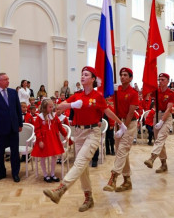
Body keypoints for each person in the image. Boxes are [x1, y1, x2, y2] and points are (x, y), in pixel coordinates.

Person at [43, 66, 125, 212]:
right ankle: (89, 198)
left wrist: (120, 123)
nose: (82, 76)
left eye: (86, 75)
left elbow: (107, 111)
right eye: (82, 74)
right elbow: (60, 106)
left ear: (93, 79)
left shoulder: (97, 96)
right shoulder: (77, 95)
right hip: (79, 133)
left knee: (80, 162)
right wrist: (72, 104)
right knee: (83, 167)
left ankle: (60, 189)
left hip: (93, 132)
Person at [103, 67, 138, 193]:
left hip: (129, 124)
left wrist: (123, 128)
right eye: (121, 75)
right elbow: (106, 98)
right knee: (121, 152)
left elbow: (130, 113)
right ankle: (127, 180)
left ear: (130, 78)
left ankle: (113, 177)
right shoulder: (116, 91)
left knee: (122, 150)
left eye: (125, 75)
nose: (122, 77)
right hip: (119, 122)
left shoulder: (133, 93)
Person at [0, 73, 23, 183]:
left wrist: (20, 124)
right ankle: (1, 172)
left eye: (8, 79)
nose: (8, 81)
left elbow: (18, 109)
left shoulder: (13, 92)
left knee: (15, 152)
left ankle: (15, 173)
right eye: (6, 79)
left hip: (13, 128)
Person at [143, 73, 174, 173]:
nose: (160, 81)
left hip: (166, 116)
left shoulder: (171, 93)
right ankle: (163, 164)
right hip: (156, 115)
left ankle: (152, 158)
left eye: (163, 79)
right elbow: (146, 95)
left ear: (168, 81)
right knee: (159, 140)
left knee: (161, 137)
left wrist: (162, 121)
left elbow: (169, 109)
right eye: (159, 79)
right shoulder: (156, 91)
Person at [31, 99, 67, 182]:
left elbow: (60, 126)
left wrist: (65, 135)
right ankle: (45, 175)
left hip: (53, 139)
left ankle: (52, 174)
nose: (52, 108)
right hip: (43, 140)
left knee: (54, 156)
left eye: (52, 106)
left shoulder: (54, 116)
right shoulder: (39, 117)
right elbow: (37, 130)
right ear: (44, 107)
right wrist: (39, 140)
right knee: (43, 157)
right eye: (50, 107)